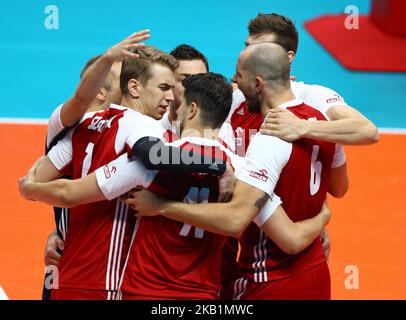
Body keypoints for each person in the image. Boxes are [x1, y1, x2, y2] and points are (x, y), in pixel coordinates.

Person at [20, 73, 330, 300]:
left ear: (191, 110)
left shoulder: (149, 162)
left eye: (178, 106)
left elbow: (70, 194)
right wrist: (322, 217)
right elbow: (288, 237)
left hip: (142, 291)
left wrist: (31, 189)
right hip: (203, 295)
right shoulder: (241, 169)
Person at [123, 43, 348, 300]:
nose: (233, 82)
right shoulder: (236, 160)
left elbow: (76, 191)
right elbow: (292, 234)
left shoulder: (240, 153)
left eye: (239, 76)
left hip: (218, 283)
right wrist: (322, 215)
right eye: (183, 80)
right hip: (157, 286)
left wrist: (162, 205)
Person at [42, 30, 150, 299]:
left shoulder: (130, 128)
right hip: (75, 274)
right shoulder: (65, 123)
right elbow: (79, 100)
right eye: (124, 82)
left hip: (112, 271)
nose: (132, 89)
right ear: (99, 90)